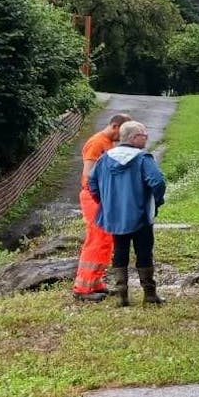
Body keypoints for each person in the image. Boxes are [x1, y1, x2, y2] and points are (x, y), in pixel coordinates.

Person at [88, 120, 167, 306]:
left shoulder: (105, 159)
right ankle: (149, 294)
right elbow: (158, 182)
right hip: (140, 215)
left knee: (120, 251)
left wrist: (105, 202)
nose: (146, 138)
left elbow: (92, 183)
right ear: (133, 138)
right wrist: (157, 201)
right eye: (143, 135)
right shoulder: (142, 159)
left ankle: (122, 295)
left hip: (115, 216)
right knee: (144, 252)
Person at [72, 112, 133, 301]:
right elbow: (89, 174)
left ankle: (95, 283)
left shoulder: (108, 144)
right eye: (121, 132)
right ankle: (83, 288)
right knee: (97, 239)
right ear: (115, 126)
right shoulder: (97, 143)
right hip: (93, 197)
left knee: (106, 239)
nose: (122, 138)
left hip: (101, 198)